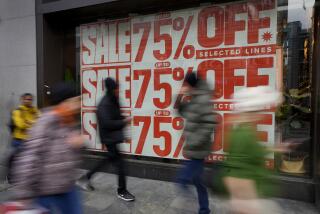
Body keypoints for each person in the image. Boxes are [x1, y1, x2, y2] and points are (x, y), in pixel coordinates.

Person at [11, 82, 84, 214]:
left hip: (67, 186)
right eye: (76, 100)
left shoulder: (69, 122)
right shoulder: (45, 122)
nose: (79, 104)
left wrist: (76, 145)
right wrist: (24, 195)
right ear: (65, 102)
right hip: (46, 190)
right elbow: (29, 160)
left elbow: (67, 156)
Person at [222, 86, 282, 214]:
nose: (260, 115)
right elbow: (252, 156)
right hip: (245, 185)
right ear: (250, 112)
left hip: (241, 184)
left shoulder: (239, 129)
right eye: (257, 111)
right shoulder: (246, 133)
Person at [77, 77, 135, 202]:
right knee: (121, 165)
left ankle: (85, 178)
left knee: (108, 159)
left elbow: (119, 117)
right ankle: (122, 191)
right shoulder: (104, 104)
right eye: (116, 89)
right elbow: (107, 123)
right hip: (109, 138)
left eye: (118, 88)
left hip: (115, 137)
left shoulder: (115, 100)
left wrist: (125, 134)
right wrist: (124, 122)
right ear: (111, 89)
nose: (118, 91)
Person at [176, 72, 218, 214]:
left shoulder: (203, 98)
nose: (185, 86)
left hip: (199, 146)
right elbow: (182, 112)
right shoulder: (194, 98)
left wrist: (196, 140)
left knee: (184, 179)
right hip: (194, 145)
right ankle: (204, 209)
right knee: (198, 181)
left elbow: (210, 122)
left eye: (186, 84)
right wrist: (180, 96)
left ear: (191, 84)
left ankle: (185, 188)